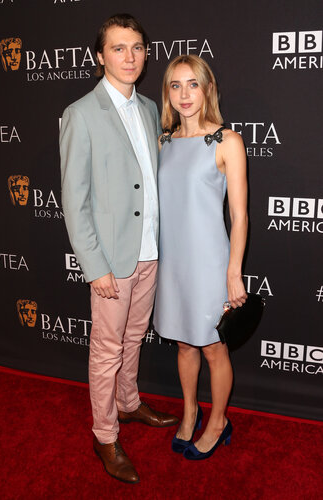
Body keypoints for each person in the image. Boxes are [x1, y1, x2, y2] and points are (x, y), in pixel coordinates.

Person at [60, 14, 178, 484]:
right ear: (99, 57)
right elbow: (74, 199)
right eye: (118, 48)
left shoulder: (151, 108)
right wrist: (95, 266)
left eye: (137, 48)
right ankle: (105, 434)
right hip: (110, 260)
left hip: (149, 252)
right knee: (107, 349)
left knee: (133, 339)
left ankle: (128, 405)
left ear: (146, 55)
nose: (129, 57)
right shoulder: (81, 114)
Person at [153, 54, 248, 460]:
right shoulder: (164, 141)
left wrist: (234, 272)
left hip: (211, 262)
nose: (184, 94)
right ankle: (190, 412)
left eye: (193, 84)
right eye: (176, 85)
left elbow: (240, 216)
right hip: (173, 262)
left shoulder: (227, 141)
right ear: (167, 93)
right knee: (184, 345)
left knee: (213, 348)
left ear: (207, 88)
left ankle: (219, 421)